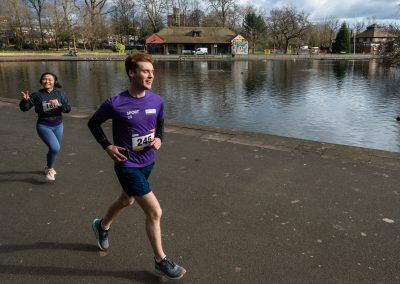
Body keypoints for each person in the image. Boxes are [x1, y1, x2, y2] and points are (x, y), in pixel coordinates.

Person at [88, 52, 186, 280]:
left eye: (152, 71)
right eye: (145, 71)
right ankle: (160, 261)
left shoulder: (157, 100)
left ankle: (102, 226)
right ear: (132, 73)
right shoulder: (116, 103)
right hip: (126, 164)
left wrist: (160, 138)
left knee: (127, 200)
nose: (151, 75)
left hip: (148, 162)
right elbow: (93, 123)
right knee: (155, 211)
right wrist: (107, 146)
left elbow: (160, 124)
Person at [19, 72, 71, 181]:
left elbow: (68, 109)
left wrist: (59, 105)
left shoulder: (61, 93)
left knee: (54, 149)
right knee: (55, 147)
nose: (47, 81)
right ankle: (50, 170)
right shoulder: (36, 95)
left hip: (58, 125)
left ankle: (47, 167)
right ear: (41, 81)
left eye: (50, 79)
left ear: (54, 81)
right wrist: (25, 101)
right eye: (44, 79)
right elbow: (24, 108)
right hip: (44, 125)